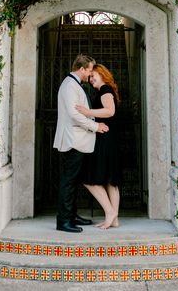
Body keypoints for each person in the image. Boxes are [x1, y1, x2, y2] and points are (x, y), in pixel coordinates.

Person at [53, 54, 109, 233]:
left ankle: (71, 215)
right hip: (73, 140)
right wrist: (95, 126)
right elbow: (74, 115)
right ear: (82, 69)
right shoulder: (70, 85)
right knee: (68, 181)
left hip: (77, 140)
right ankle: (63, 221)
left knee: (73, 180)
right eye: (90, 70)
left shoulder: (74, 84)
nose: (91, 74)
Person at [75, 63, 121, 229]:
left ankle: (110, 212)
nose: (91, 79)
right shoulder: (106, 90)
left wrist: (87, 113)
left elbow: (110, 111)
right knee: (111, 180)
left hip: (104, 139)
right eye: (90, 77)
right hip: (110, 138)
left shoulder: (105, 90)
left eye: (93, 75)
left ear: (102, 73)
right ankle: (114, 219)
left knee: (89, 179)